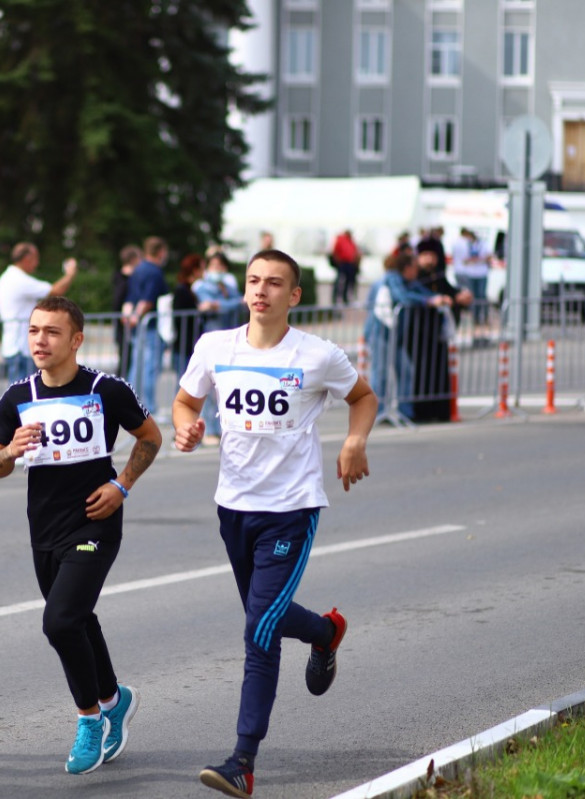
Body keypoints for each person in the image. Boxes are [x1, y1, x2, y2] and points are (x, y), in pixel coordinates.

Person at [170, 250, 376, 799]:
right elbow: (185, 402)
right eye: (254, 281)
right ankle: (325, 632)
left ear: (295, 296)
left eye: (275, 283)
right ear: (245, 290)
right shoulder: (216, 347)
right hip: (233, 507)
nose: (262, 290)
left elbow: (363, 397)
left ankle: (243, 759)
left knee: (259, 630)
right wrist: (187, 427)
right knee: (268, 615)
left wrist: (355, 440)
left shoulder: (316, 355)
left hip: (291, 506)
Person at [0, 296, 162, 775]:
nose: (40, 340)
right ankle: (114, 699)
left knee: (60, 622)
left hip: (96, 521)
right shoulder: (17, 397)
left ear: (76, 340)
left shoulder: (106, 389)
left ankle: (90, 720)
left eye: (52, 332)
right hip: (44, 528)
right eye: (34, 330)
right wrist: (11, 452)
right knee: (78, 619)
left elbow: (150, 436)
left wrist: (121, 485)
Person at [364, 253, 449, 421]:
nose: (417, 271)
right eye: (415, 268)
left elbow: (421, 292)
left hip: (396, 335)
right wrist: (429, 301)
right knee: (380, 373)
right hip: (382, 333)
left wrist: (436, 298)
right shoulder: (392, 278)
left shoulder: (407, 281)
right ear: (408, 268)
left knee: (405, 370)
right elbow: (402, 297)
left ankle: (404, 411)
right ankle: (377, 412)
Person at [0, 242, 77, 384]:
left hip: (15, 346)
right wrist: (70, 274)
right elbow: (55, 291)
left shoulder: (9, 277)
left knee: (22, 393)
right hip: (21, 348)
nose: (37, 262)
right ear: (26, 258)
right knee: (25, 396)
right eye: (35, 258)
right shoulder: (18, 279)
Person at [193, 252, 244, 445]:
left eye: (220, 266)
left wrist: (221, 304)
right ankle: (210, 430)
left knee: (227, 386)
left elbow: (238, 303)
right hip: (213, 339)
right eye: (214, 265)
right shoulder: (203, 286)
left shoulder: (228, 287)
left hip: (231, 338)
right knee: (209, 386)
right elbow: (228, 305)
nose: (217, 269)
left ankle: (225, 427)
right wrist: (230, 304)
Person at [124, 236, 170, 415]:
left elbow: (131, 297)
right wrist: (137, 315)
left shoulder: (138, 269)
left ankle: (130, 402)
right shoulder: (154, 272)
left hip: (138, 327)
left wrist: (130, 316)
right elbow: (147, 301)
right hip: (151, 327)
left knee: (137, 365)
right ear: (161, 252)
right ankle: (147, 406)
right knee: (150, 367)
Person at [171, 254, 206, 378]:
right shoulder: (182, 290)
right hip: (184, 345)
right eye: (202, 269)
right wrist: (199, 309)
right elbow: (180, 317)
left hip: (189, 344)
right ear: (195, 270)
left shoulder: (192, 289)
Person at [113, 245, 141, 377]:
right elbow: (118, 300)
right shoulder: (126, 279)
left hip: (124, 322)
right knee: (126, 358)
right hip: (125, 322)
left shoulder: (118, 276)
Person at [451, 228, 489, 327]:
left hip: (481, 273)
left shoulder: (483, 244)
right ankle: (475, 317)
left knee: (481, 295)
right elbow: (464, 260)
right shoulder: (466, 244)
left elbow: (487, 257)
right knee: (473, 296)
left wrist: (476, 260)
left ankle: (483, 316)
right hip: (470, 273)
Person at [328, 229, 360, 307]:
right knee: (340, 281)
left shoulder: (351, 241)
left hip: (349, 264)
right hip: (343, 263)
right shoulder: (341, 240)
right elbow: (335, 251)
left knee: (348, 282)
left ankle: (345, 298)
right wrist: (338, 262)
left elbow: (355, 252)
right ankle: (335, 298)